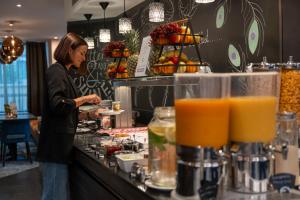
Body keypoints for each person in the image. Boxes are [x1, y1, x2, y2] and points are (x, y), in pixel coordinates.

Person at [37, 32, 101, 200]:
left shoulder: (64, 72)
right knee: (54, 196)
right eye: (82, 53)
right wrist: (86, 98)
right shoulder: (56, 71)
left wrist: (88, 114)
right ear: (69, 51)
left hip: (59, 147)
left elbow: (66, 112)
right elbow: (58, 105)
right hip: (54, 148)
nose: (84, 58)